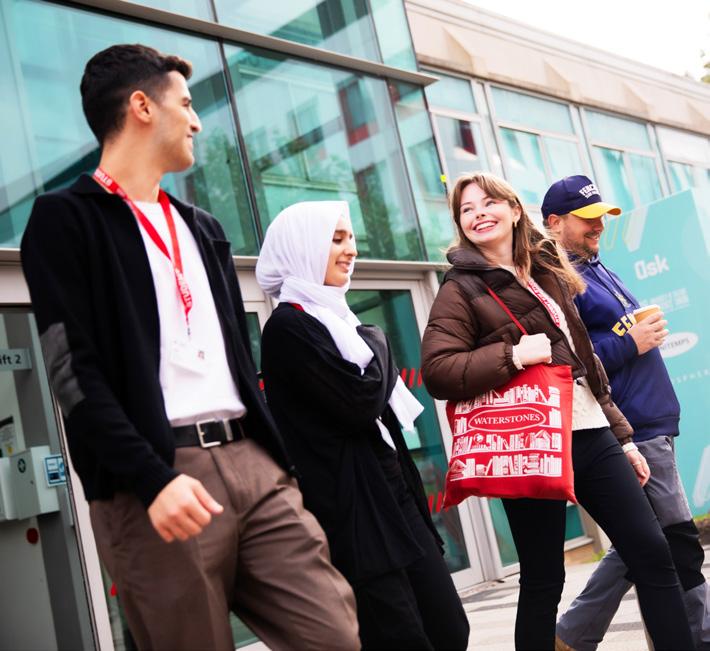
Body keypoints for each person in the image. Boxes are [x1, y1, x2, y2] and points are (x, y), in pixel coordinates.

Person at [20, 44, 359, 651]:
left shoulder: (203, 228)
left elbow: (235, 357)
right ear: (142, 106)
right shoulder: (65, 219)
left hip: (252, 464)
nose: (197, 121)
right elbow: (72, 372)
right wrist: (151, 478)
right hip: (157, 475)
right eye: (186, 103)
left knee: (333, 636)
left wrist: (276, 465)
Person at [420, 171, 695, 650]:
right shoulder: (459, 289)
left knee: (652, 552)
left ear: (513, 210)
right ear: (460, 223)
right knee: (544, 577)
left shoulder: (548, 268)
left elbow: (584, 361)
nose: (479, 214)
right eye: (467, 209)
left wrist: (623, 438)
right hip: (530, 442)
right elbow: (439, 370)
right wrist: (513, 355)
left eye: (489, 203)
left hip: (590, 431)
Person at [255, 201, 470, 650]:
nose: (351, 249)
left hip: (394, 492)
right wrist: (378, 340)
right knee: (401, 639)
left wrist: (370, 342)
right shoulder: (289, 328)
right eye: (336, 239)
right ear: (302, 247)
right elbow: (358, 401)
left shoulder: (342, 320)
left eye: (351, 237)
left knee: (451, 628)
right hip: (355, 512)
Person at [542, 175, 709, 651]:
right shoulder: (557, 280)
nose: (598, 225)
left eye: (602, 216)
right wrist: (629, 342)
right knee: (674, 540)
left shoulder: (596, 268)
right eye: (587, 218)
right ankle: (698, 636)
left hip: (650, 420)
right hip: (632, 426)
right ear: (554, 223)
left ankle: (572, 635)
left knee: (645, 540)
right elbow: (569, 361)